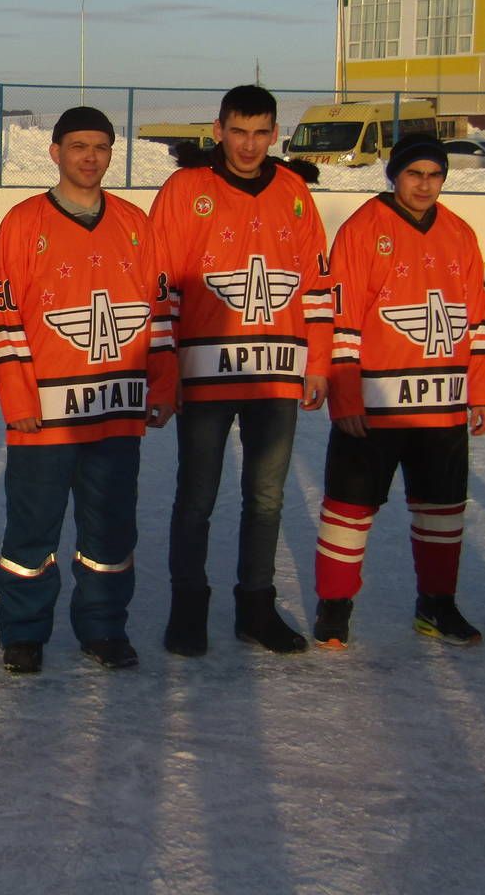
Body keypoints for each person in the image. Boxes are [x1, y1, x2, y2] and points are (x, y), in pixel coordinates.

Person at [0, 107, 176, 674]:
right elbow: (3, 319)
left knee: (110, 528)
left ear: (111, 154)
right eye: (77, 146)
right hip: (44, 414)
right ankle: (23, 633)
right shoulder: (23, 224)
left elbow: (161, 312)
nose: (89, 157)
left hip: (115, 411)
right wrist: (18, 400)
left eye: (100, 146)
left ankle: (103, 628)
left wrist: (162, 385)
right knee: (32, 531)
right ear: (55, 152)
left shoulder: (136, 225)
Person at [147, 84, 331, 656]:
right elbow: (161, 282)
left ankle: (256, 607)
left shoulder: (295, 191)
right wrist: (164, 372)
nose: (249, 145)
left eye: (260, 132)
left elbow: (317, 285)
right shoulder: (185, 189)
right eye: (238, 131)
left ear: (275, 134)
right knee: (196, 497)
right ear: (218, 129)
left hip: (275, 373)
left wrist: (318, 363)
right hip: (205, 371)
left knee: (266, 497)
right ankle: (188, 609)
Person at [311, 134, 485, 649]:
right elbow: (342, 319)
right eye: (414, 173)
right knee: (349, 507)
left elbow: (476, 324)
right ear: (394, 175)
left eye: (434, 175)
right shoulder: (363, 229)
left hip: (441, 401)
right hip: (375, 403)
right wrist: (345, 396)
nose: (424, 184)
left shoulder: (459, 233)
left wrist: (481, 390)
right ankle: (335, 606)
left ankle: (436, 605)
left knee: (442, 510)